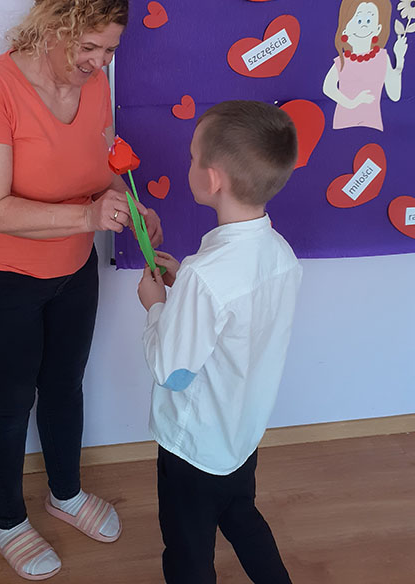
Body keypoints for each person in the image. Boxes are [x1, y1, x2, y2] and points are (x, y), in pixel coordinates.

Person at [0, 0, 162, 581]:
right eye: (89, 47)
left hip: (72, 271)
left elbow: (98, 173)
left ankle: (64, 494)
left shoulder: (94, 87)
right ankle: (7, 520)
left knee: (66, 385)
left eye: (110, 49)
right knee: (9, 402)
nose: (100, 63)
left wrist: (132, 207)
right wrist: (88, 218)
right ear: (52, 27)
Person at [137, 100, 302, 584]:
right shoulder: (281, 255)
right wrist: (185, 285)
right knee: (241, 514)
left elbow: (171, 371)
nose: (188, 163)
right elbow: (238, 325)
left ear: (212, 180)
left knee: (187, 553)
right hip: (241, 435)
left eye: (192, 157)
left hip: (194, 449)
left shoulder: (205, 278)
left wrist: (155, 305)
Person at [322, 0, 408, 131]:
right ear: (345, 29)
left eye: (369, 20)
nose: (364, 26)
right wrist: (352, 103)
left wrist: (399, 59)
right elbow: (327, 87)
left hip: (373, 125)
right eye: (358, 20)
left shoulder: (382, 58)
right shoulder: (342, 61)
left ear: (378, 29)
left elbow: (394, 95)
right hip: (344, 125)